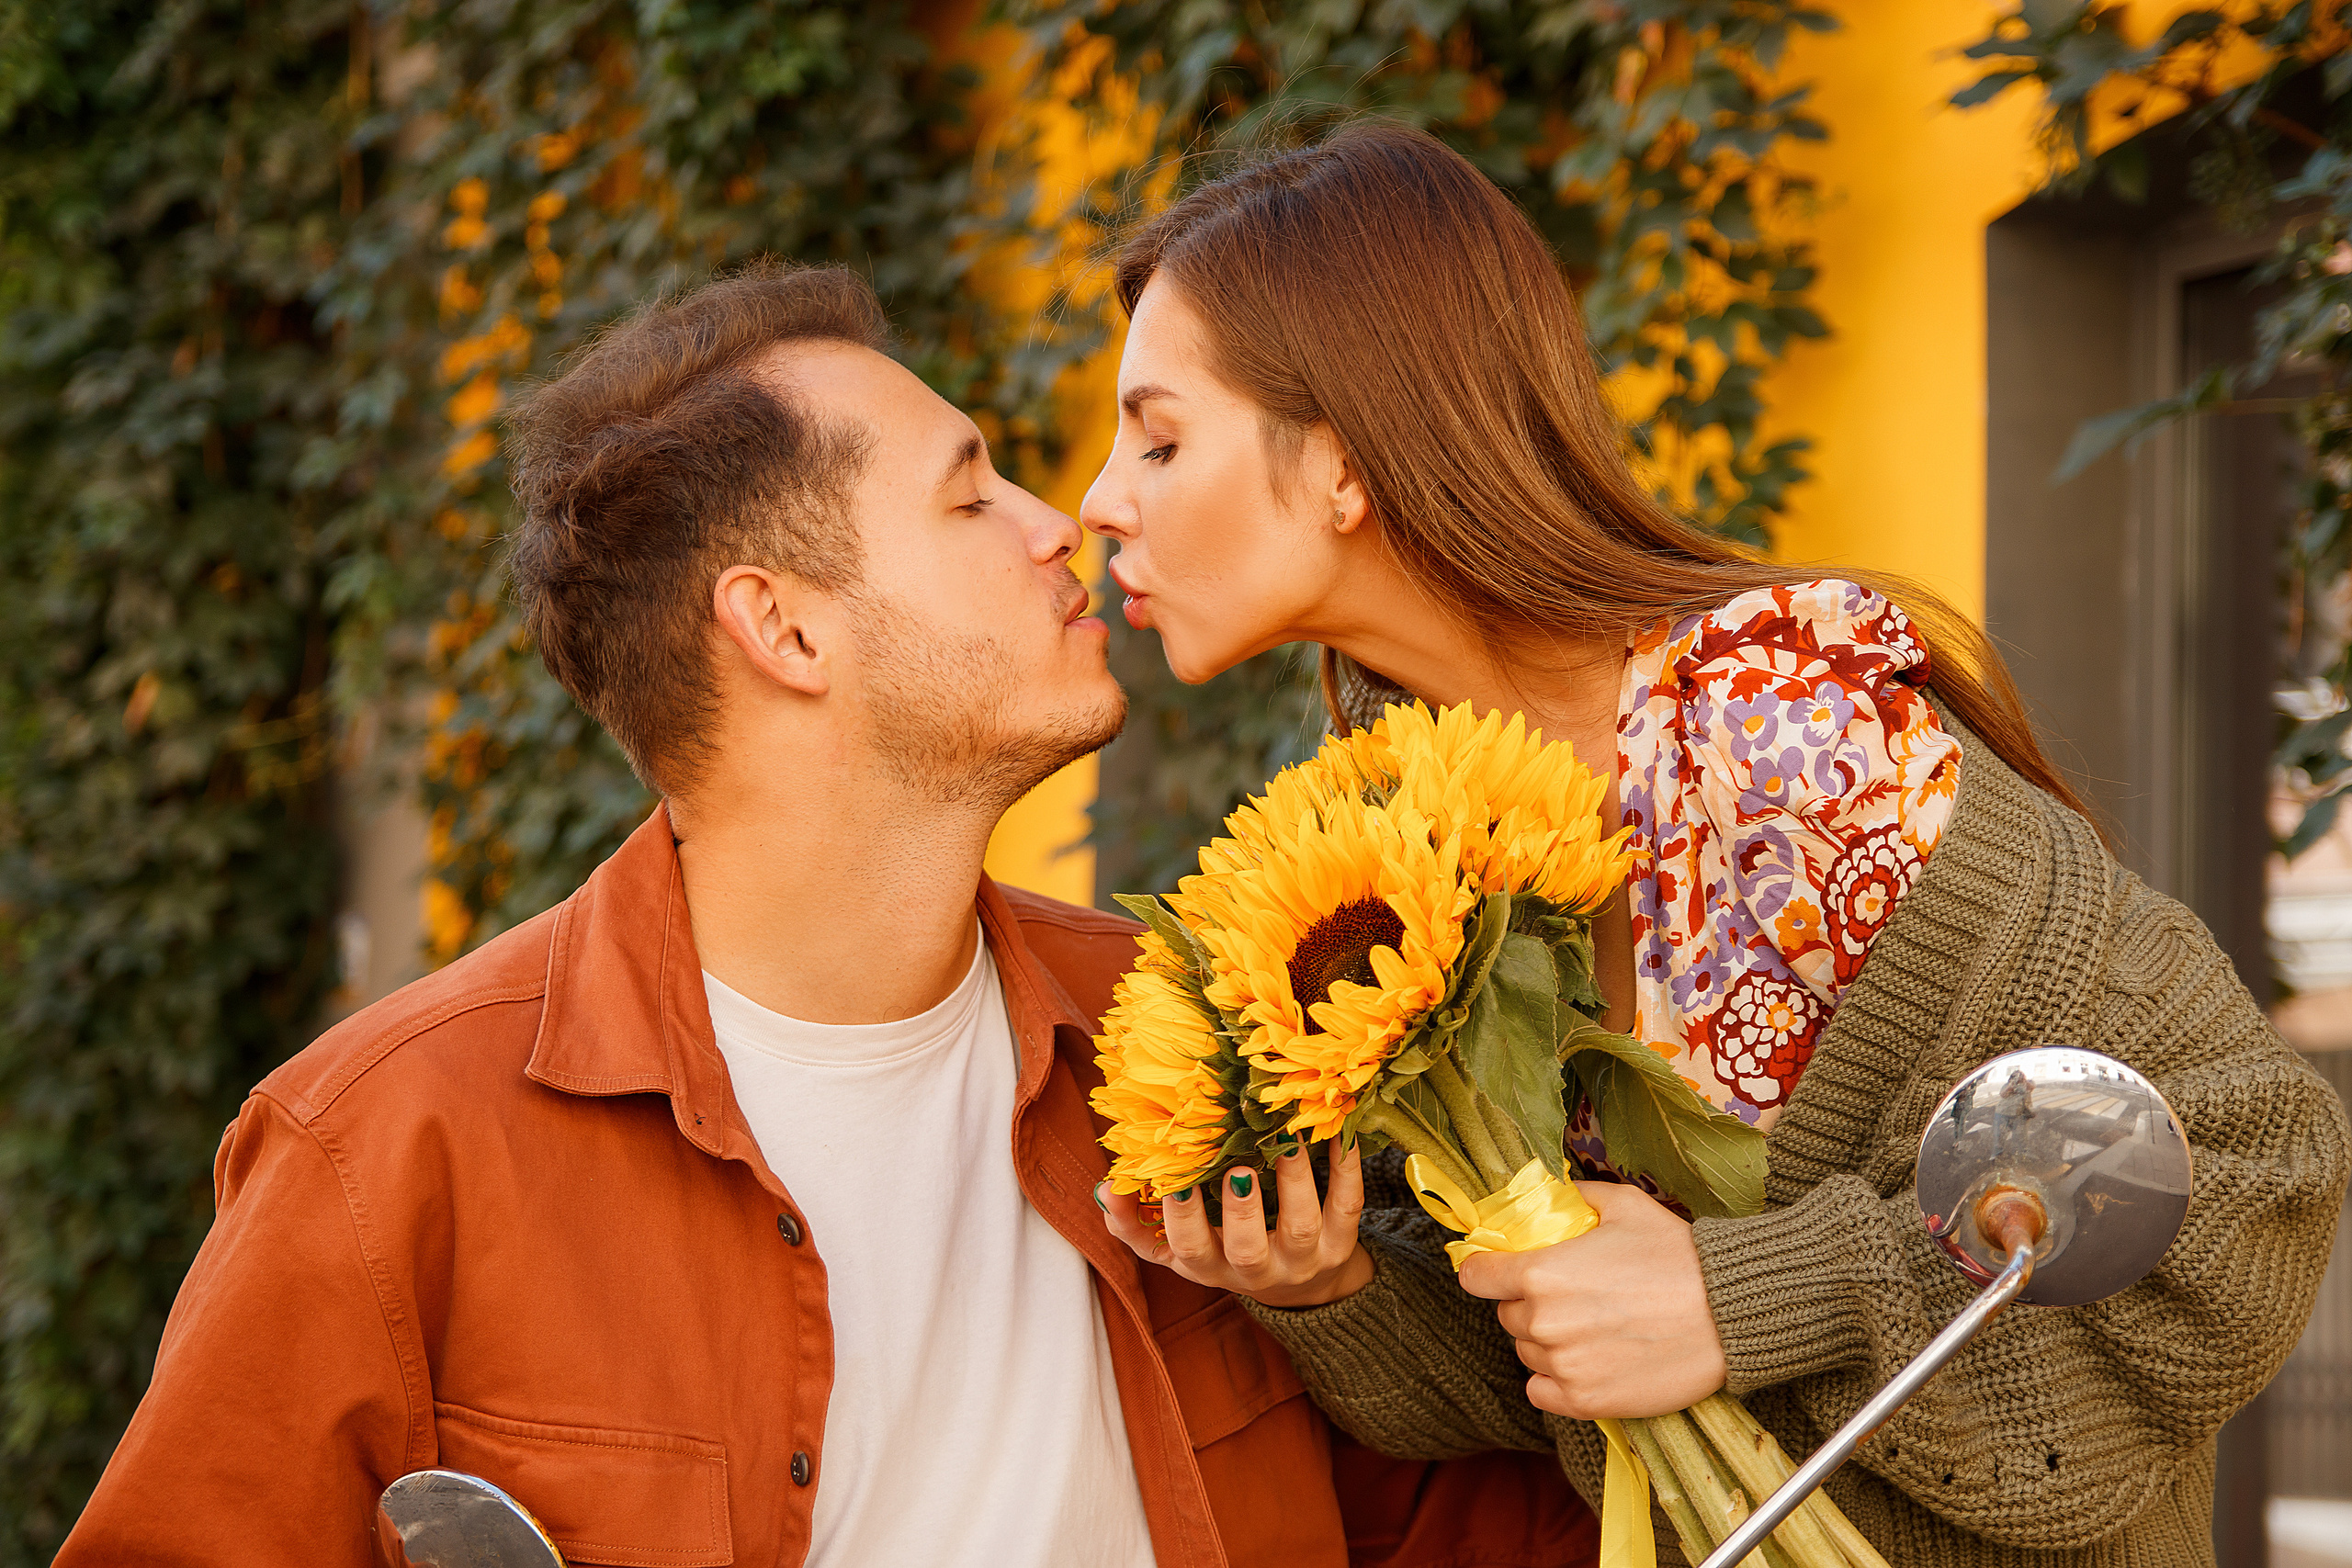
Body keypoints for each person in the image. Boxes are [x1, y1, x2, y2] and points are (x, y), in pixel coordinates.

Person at [52, 261, 1576, 1568]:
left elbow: (1473, 1528)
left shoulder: (1217, 1037)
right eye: (970, 491)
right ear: (782, 625)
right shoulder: (387, 1152)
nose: (1062, 523)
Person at [1079, 120, 2352, 1567]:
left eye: (1162, 437)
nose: (1099, 501)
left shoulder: (1782, 744)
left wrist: (1743, 1301)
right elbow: (1570, 1377)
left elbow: (2247, 1180)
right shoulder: (1406, 843)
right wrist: (1334, 1284)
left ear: (1346, 466)